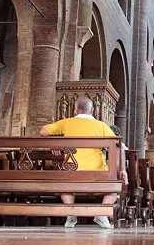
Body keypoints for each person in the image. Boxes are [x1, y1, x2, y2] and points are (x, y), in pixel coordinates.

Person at [39, 97, 128, 229]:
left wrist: (55, 143)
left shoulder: (66, 123)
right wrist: (122, 170)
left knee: (65, 185)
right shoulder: (102, 126)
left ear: (75, 111)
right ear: (92, 110)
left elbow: (43, 131)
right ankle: (101, 214)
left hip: (71, 171)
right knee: (115, 187)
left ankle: (71, 214)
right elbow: (119, 146)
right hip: (98, 173)